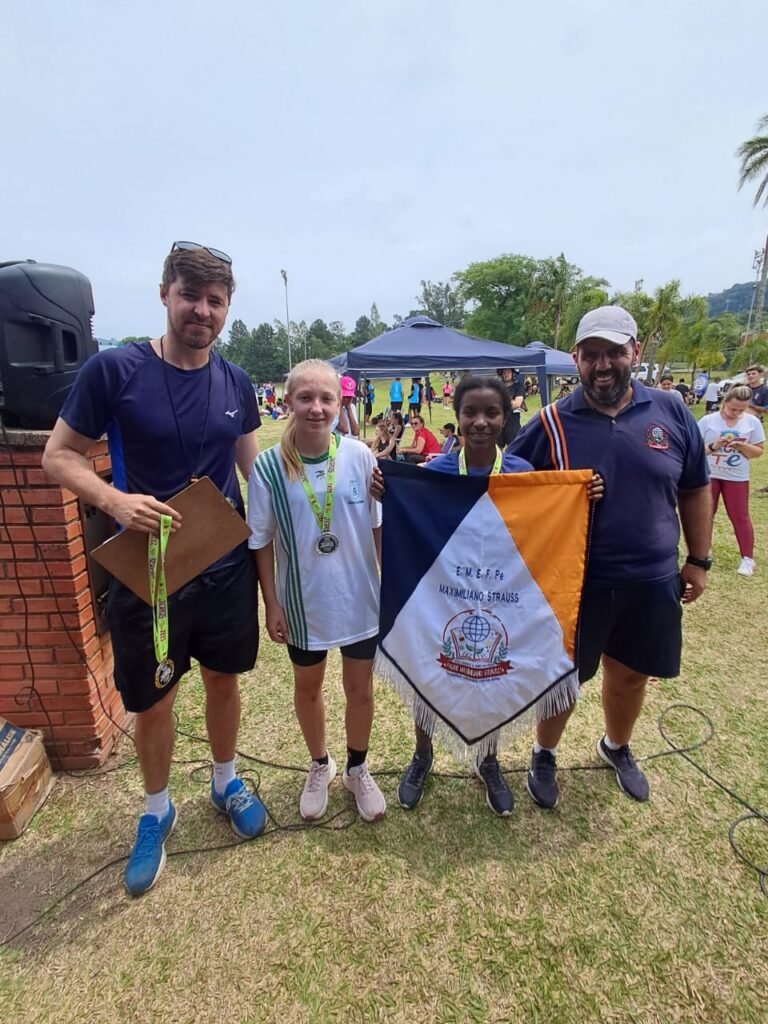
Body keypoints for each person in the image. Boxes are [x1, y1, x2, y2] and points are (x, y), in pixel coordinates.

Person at [42, 242, 267, 896]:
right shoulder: (114, 370)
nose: (202, 310)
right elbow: (59, 456)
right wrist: (114, 500)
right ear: (165, 293)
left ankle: (225, 781)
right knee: (154, 697)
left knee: (224, 679)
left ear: (227, 308)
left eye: (215, 300)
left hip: (224, 565)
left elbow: (257, 471)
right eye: (190, 295)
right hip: (150, 572)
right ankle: (156, 809)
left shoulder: (236, 381)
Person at [510, 305, 711, 809]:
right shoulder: (551, 422)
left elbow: (694, 487)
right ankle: (544, 753)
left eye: (614, 353)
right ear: (576, 359)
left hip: (652, 579)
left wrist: (699, 559)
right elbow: (508, 487)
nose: (603, 365)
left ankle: (616, 746)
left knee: (631, 674)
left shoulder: (671, 411)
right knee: (564, 679)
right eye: (592, 354)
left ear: (635, 353)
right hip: (576, 582)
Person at [249, 359, 386, 823]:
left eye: (326, 398)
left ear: (339, 402)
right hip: (303, 604)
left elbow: (377, 526)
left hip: (360, 599)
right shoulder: (268, 467)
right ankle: (319, 764)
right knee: (308, 688)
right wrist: (272, 603)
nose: (316, 408)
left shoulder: (360, 456)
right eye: (305, 397)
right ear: (288, 401)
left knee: (359, 690)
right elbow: (261, 541)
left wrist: (387, 585)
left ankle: (357, 769)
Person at [393, 376, 536, 815]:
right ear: (457, 417)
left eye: (491, 413)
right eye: (470, 412)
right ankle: (423, 755)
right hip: (442, 595)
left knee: (490, 677)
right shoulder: (436, 471)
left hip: (500, 595)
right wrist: (389, 488)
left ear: (505, 418)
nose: (480, 422)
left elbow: (543, 527)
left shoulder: (522, 474)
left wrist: (582, 496)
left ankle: (487, 758)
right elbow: (407, 508)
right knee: (427, 671)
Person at [698, 384, 764, 576]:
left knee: (740, 516)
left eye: (741, 410)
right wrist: (714, 446)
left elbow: (758, 451)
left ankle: (748, 559)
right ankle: (703, 551)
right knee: (705, 514)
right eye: (732, 408)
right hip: (709, 475)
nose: (736, 413)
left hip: (736, 477)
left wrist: (742, 447)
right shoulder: (708, 420)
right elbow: (693, 449)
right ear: (724, 402)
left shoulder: (752, 422)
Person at [499, 368, 526, 445]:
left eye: (508, 372)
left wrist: (500, 402)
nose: (506, 374)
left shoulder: (518, 386)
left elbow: (517, 404)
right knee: (499, 447)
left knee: (513, 447)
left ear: (512, 373)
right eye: (504, 373)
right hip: (499, 422)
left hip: (513, 423)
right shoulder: (498, 387)